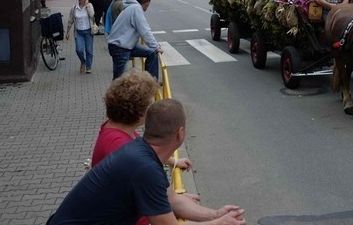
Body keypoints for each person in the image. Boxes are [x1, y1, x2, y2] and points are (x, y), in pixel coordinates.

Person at [48, 99, 246, 225]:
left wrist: (216, 214)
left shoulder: (143, 155)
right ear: (180, 134)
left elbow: (173, 200)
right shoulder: (144, 168)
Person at [88, 71, 245, 225]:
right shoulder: (125, 150)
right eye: (150, 103)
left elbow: (169, 198)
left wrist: (216, 215)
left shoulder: (125, 137)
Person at [107, 0, 163, 81]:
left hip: (125, 45)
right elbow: (145, 31)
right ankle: (116, 94)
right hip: (120, 47)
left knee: (151, 53)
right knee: (119, 81)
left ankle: (150, 82)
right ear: (147, 3)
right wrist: (156, 47)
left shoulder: (131, 7)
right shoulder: (136, 9)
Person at [65, 0, 96, 74]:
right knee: (79, 50)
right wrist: (67, 32)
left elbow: (92, 17)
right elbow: (70, 20)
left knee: (89, 50)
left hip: (88, 32)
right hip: (78, 32)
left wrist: (87, 6)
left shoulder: (89, 6)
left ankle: (88, 67)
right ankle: (83, 61)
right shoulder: (74, 8)